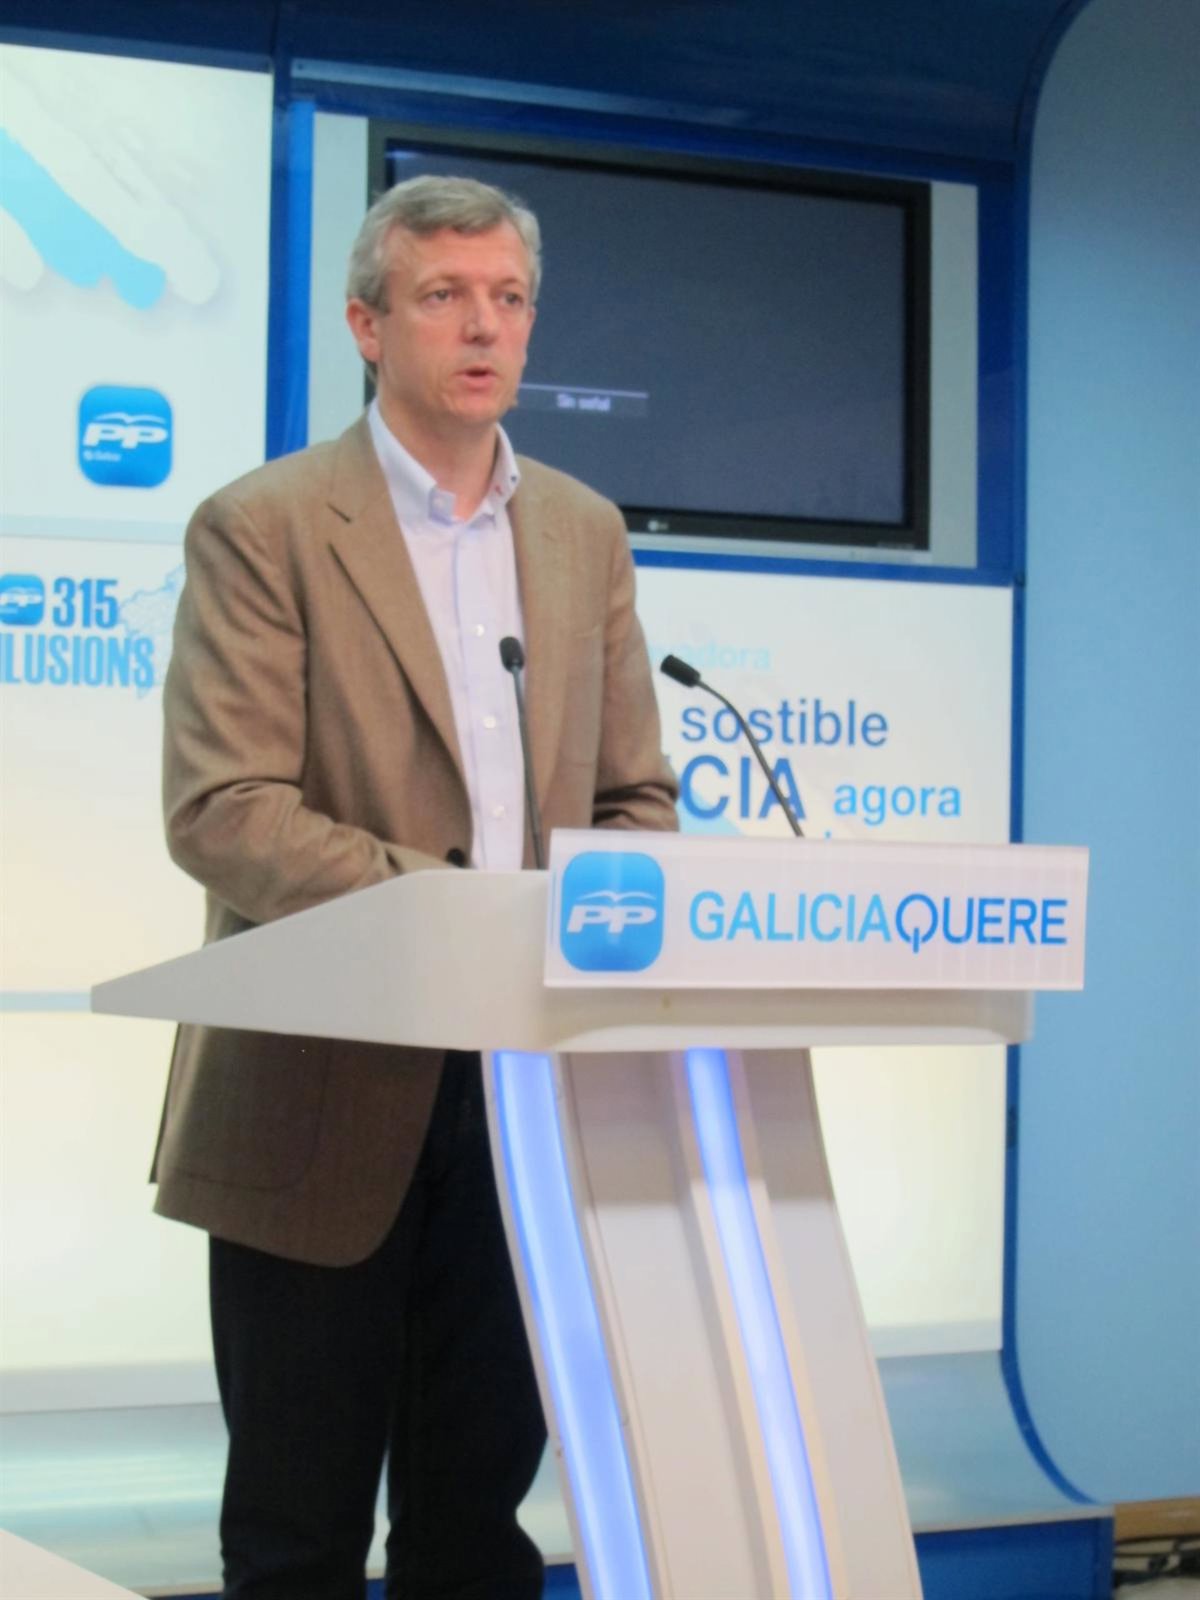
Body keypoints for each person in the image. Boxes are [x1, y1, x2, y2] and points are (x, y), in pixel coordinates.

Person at [152, 175, 678, 1600]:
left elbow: (637, 801)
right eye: (444, 296)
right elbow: (225, 810)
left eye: (509, 299)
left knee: (474, 1538)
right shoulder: (264, 524)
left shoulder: (583, 531)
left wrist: (611, 909)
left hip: (525, 1100)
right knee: (297, 1541)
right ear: (367, 325)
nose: (484, 327)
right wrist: (459, 917)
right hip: (319, 1084)